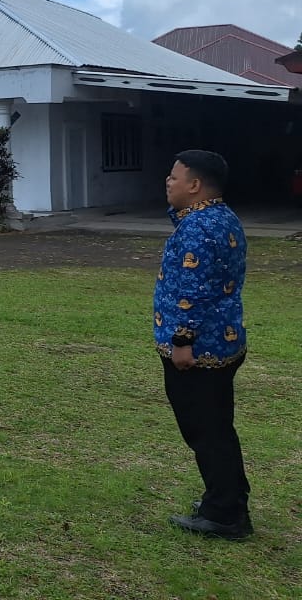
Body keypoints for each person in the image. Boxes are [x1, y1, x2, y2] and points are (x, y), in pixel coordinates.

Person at [155, 150, 252, 540]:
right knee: (217, 428)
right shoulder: (222, 218)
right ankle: (226, 497)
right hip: (223, 342)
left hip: (199, 352)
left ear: (194, 185)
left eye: (174, 177)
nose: (168, 182)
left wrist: (182, 342)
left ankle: (226, 514)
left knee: (206, 431)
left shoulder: (198, 228)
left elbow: (191, 294)